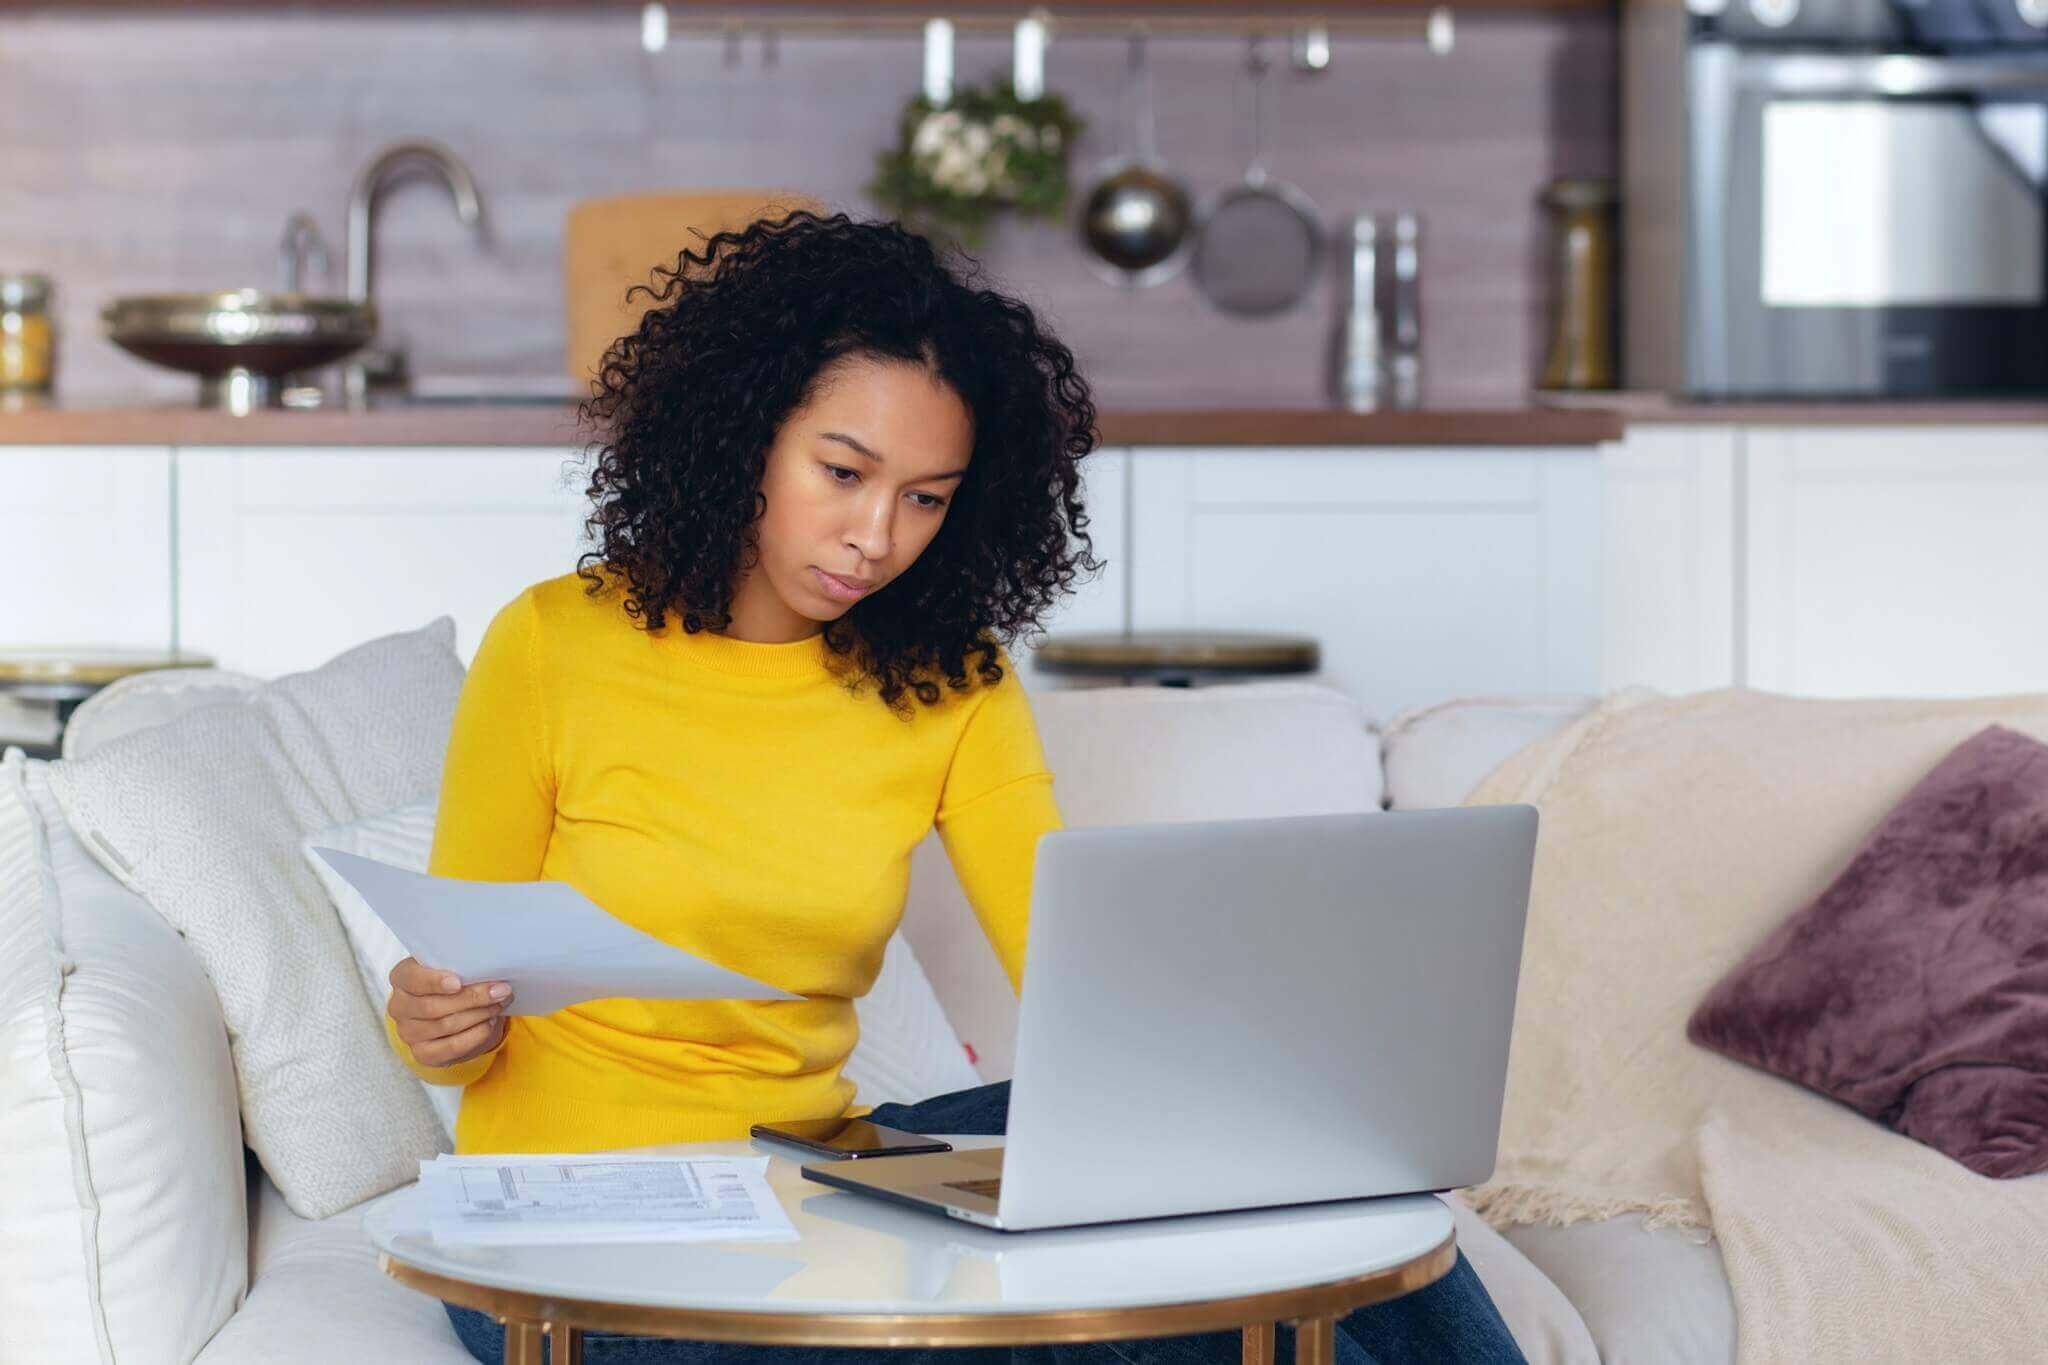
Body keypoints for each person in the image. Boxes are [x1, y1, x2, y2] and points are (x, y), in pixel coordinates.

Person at [383, 209, 1528, 1365]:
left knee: (1295, 1158)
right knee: (1110, 1329)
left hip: (797, 1173)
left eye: (925, 498)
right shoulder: (552, 645)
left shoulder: (947, 680)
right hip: (565, 1238)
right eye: (842, 472)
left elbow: (1077, 973)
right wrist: (434, 1022)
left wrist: (1251, 1102)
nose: (875, 536)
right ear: (742, 435)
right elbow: (459, 1017)